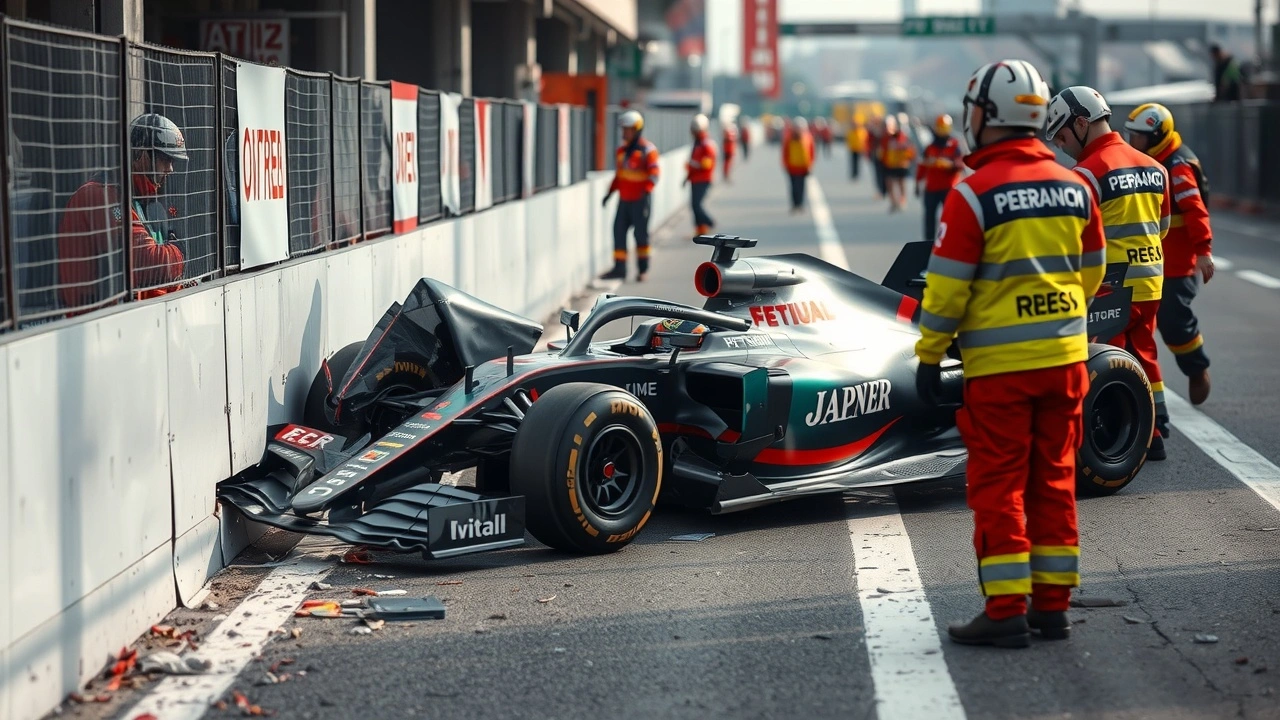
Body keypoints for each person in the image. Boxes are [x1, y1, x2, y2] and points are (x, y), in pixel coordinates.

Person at [915, 59, 1105, 649]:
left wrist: (930, 355)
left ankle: (1004, 611)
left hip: (1000, 372)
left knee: (1000, 485)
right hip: (1066, 363)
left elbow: (946, 289)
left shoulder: (973, 194)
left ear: (989, 115)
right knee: (1054, 480)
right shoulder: (1076, 186)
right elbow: (1093, 272)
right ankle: (1052, 608)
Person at [1045, 85, 1172, 459]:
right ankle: (1156, 430)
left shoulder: (1086, 174)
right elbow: (1163, 227)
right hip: (1151, 282)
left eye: (1062, 136)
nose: (1062, 147)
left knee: (1106, 361)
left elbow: (1074, 239)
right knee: (1144, 354)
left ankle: (1114, 440)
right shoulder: (1156, 169)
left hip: (1110, 287)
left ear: (1081, 123)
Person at [1124, 102, 1215, 405]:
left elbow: (1195, 211)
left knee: (1174, 322)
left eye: (1137, 136)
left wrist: (1203, 252)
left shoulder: (1176, 166)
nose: (1131, 141)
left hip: (1177, 266)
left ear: (1156, 136)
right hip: (1150, 263)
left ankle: (1197, 368)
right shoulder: (1148, 162)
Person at [57, 112, 188, 311]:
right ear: (140, 154)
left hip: (127, 316)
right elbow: (147, 264)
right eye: (165, 159)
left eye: (173, 161)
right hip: (97, 319)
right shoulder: (100, 196)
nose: (170, 169)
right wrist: (180, 252)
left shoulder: (143, 200)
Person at [601, 110, 660, 282]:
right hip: (624, 200)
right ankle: (619, 269)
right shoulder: (621, 151)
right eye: (623, 129)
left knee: (641, 236)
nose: (624, 132)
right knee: (618, 232)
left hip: (640, 200)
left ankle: (643, 269)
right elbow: (619, 176)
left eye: (627, 129)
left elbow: (655, 174)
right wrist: (609, 193)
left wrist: (645, 191)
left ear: (637, 129)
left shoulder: (648, 150)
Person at [915, 113, 964, 240]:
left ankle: (951, 239)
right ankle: (928, 242)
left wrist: (950, 165)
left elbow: (961, 164)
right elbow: (922, 165)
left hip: (949, 188)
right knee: (929, 217)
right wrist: (917, 182)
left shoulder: (954, 146)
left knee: (951, 216)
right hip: (932, 188)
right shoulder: (930, 148)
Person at [686, 114, 718, 238]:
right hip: (695, 178)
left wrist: (694, 164)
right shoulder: (697, 143)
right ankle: (700, 229)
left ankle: (709, 222)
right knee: (693, 204)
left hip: (703, 179)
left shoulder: (706, 144)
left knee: (696, 204)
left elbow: (707, 164)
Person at [879, 114, 916, 213]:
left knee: (901, 183)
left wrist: (909, 159)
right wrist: (883, 161)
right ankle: (893, 202)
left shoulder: (905, 136)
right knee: (889, 183)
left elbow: (911, 150)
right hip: (890, 164)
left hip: (901, 164)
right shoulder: (887, 137)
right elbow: (883, 149)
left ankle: (902, 201)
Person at [781, 116, 815, 213]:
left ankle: (800, 204)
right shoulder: (789, 138)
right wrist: (785, 164)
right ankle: (794, 204)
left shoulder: (808, 138)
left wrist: (810, 165)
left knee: (801, 187)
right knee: (793, 187)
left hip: (803, 167)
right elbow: (785, 152)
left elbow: (811, 152)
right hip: (792, 167)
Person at [845, 113, 868, 180]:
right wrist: (849, 145)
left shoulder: (862, 131)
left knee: (858, 162)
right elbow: (848, 139)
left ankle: (857, 173)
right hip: (852, 148)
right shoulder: (851, 131)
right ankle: (853, 173)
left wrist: (864, 148)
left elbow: (865, 140)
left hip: (859, 149)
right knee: (853, 162)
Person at [721, 119, 738, 183]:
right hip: (727, 150)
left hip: (730, 150)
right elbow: (729, 139)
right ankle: (726, 176)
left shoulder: (729, 132)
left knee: (730, 164)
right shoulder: (727, 132)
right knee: (727, 164)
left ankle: (728, 176)